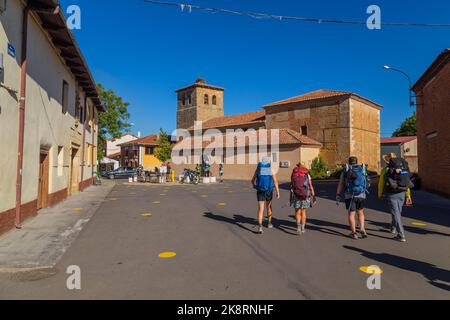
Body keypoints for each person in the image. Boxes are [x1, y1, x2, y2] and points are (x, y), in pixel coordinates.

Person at [378, 153, 413, 242]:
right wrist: (408, 195)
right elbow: (407, 182)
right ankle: (393, 227)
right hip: (402, 192)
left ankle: (401, 235)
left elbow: (381, 183)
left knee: (396, 213)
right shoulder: (403, 169)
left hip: (391, 193)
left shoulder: (385, 170)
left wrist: (380, 194)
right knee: (397, 212)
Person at [336, 157, 370, 240]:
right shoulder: (362, 169)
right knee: (360, 212)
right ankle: (362, 229)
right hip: (361, 194)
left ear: (349, 162)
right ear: (356, 162)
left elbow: (341, 184)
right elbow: (367, 181)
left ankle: (354, 233)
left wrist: (338, 194)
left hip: (350, 195)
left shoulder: (346, 170)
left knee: (351, 214)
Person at [251, 156, 280, 234]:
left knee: (261, 209)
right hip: (269, 190)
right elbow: (275, 181)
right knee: (269, 206)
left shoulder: (258, 170)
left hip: (260, 190)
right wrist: (277, 192)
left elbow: (252, 180)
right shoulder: (271, 169)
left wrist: (255, 186)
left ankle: (260, 227)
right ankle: (269, 223)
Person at [290, 163, 316, 235]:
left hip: (296, 195)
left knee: (297, 211)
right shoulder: (306, 174)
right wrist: (313, 196)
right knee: (303, 212)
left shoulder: (294, 174)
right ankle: (303, 228)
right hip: (305, 195)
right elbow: (310, 185)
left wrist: (290, 197)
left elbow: (292, 186)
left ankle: (298, 227)